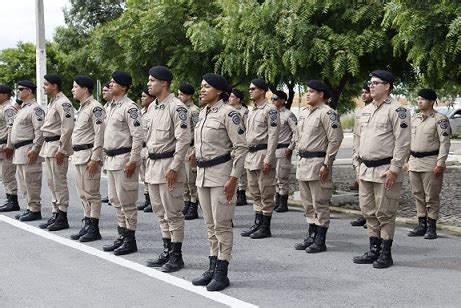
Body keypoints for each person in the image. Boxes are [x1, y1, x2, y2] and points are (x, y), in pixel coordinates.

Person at [191, 73, 247, 291]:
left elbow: (241, 147)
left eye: (207, 87)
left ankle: (222, 272)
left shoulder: (229, 114)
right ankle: (212, 266)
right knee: (210, 225)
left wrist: (234, 177)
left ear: (220, 91)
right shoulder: (203, 113)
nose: (202, 90)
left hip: (222, 175)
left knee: (222, 225)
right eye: (201, 86)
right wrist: (195, 151)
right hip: (203, 175)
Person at [352, 70, 410, 269]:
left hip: (386, 170)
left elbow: (403, 142)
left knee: (385, 213)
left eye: (376, 83)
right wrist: (356, 162)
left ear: (387, 86)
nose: (371, 86)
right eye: (370, 82)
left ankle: (386, 253)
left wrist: (395, 169)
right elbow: (357, 138)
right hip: (366, 169)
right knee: (368, 211)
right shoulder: (365, 110)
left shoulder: (397, 110)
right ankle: (373, 249)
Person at [145, 66, 190, 273]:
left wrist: (175, 166)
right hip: (153, 166)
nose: (149, 84)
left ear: (164, 83)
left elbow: (183, 140)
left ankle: (176, 255)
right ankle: (166, 249)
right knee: (160, 212)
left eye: (152, 80)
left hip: (168, 166)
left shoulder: (177, 107)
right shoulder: (152, 108)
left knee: (173, 213)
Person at [294, 80, 343, 253]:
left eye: (311, 91)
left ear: (321, 94)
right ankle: (312, 235)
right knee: (307, 203)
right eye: (307, 91)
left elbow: (335, 139)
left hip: (318, 163)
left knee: (319, 202)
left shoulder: (328, 113)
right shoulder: (305, 113)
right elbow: (298, 136)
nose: (307, 94)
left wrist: (327, 163)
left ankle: (320, 239)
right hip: (304, 163)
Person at [102, 71, 143, 256]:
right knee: (115, 200)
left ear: (124, 87)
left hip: (124, 159)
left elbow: (137, 136)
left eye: (114, 82)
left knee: (127, 201)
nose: (110, 85)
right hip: (111, 160)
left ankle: (130, 239)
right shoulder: (110, 106)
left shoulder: (130, 107)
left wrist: (133, 160)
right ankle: (121, 235)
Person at [407, 89, 450, 240]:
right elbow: (407, 142)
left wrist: (441, 163)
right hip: (414, 161)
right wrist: (407, 162)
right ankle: (421, 224)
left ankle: (431, 227)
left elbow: (445, 143)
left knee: (431, 196)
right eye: (418, 99)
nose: (419, 101)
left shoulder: (440, 119)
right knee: (417, 194)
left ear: (431, 102)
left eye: (423, 99)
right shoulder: (415, 118)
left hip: (430, 161)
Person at [241, 78, 279, 239]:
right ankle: (257, 223)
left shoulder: (270, 110)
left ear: (262, 91)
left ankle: (265, 226)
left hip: (263, 154)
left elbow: (273, 136)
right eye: (250, 89)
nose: (250, 91)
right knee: (255, 192)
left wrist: (268, 159)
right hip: (251, 156)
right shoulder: (252, 110)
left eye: (253, 89)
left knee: (266, 192)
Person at [70, 75, 105, 242]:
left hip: (89, 155)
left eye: (75, 86)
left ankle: (94, 228)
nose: (73, 89)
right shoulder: (82, 107)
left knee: (92, 194)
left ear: (85, 89)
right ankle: (87, 223)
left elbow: (100, 134)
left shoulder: (95, 108)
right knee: (83, 193)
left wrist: (95, 158)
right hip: (78, 155)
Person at [39, 74, 75, 231]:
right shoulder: (52, 102)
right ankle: (55, 213)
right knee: (51, 183)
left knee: (59, 182)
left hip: (56, 145)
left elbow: (67, 128)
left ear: (55, 86)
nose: (43, 87)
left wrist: (62, 149)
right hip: (48, 146)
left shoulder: (63, 103)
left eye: (46, 84)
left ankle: (62, 216)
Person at [9, 80, 45, 221]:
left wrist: (36, 149)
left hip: (28, 149)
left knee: (31, 181)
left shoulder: (35, 109)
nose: (18, 91)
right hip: (19, 150)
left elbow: (40, 130)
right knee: (24, 183)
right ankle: (30, 208)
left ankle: (35, 209)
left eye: (21, 89)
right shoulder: (23, 108)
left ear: (29, 91)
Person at [350, 82, 374, 227]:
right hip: (360, 155)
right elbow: (356, 134)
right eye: (362, 92)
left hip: (374, 157)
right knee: (362, 188)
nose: (364, 95)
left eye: (366, 92)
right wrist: (355, 156)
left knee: (373, 189)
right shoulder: (359, 112)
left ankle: (372, 217)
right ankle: (363, 214)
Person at [271, 90, 297, 213]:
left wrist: (291, 147)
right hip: (273, 150)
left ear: (282, 100)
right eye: (272, 99)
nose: (273, 101)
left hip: (283, 149)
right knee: (275, 178)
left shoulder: (288, 115)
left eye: (275, 99)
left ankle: (283, 203)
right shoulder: (272, 114)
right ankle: (277, 201)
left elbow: (296, 132)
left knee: (282, 177)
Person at [178, 82, 200, 220]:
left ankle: (193, 205)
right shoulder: (182, 110)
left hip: (192, 147)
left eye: (181, 94)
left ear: (189, 95)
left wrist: (196, 150)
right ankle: (186, 202)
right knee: (184, 180)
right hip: (183, 148)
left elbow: (197, 131)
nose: (179, 97)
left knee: (192, 179)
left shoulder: (194, 111)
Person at [228, 88, 249, 206]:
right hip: (230, 145)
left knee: (241, 170)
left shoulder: (244, 112)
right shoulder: (227, 110)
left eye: (232, 97)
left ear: (238, 99)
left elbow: (247, 128)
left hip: (240, 143)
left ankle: (242, 193)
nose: (229, 99)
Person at [0, 85, 19, 212]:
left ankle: (13, 201)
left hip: (6, 145)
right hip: (1, 144)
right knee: (3, 175)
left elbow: (12, 127)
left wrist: (9, 146)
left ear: (5, 95)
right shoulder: (2, 108)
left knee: (8, 174)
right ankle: (9, 199)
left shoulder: (8, 108)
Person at [137, 87, 155, 212]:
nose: (142, 99)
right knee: (144, 177)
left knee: (150, 176)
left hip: (149, 147)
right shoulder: (142, 111)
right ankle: (147, 199)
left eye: (144, 96)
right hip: (141, 148)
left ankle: (153, 201)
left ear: (151, 98)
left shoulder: (153, 111)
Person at [101, 83, 112, 205]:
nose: (103, 92)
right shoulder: (106, 106)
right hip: (107, 145)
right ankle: (111, 194)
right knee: (108, 171)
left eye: (105, 90)